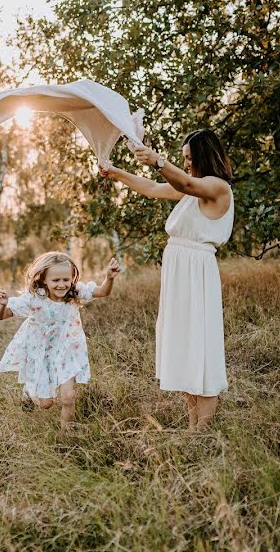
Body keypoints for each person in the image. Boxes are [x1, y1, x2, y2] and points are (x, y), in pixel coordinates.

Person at [100, 128, 234, 429]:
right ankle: (192, 427)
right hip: (179, 274)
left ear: (202, 157)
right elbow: (151, 188)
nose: (186, 163)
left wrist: (158, 160)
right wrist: (116, 173)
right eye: (183, 159)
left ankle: (203, 432)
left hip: (197, 273)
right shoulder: (190, 189)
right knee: (185, 347)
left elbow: (185, 180)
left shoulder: (217, 187)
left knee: (200, 346)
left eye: (189, 158)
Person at [0, 252, 120, 429]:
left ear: (72, 278)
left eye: (65, 279)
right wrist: (2, 304)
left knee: (68, 398)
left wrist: (109, 278)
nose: (62, 285)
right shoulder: (35, 298)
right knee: (46, 403)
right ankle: (30, 393)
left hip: (68, 351)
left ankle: (65, 435)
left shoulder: (75, 292)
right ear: (44, 279)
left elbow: (102, 292)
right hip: (41, 353)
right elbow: (2, 316)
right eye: (56, 280)